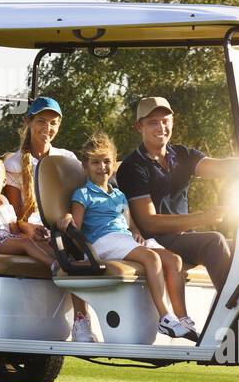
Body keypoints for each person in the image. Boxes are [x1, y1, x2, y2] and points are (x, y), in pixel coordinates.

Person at [60, 132, 198, 340]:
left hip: (123, 238)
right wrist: (68, 218)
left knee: (173, 260)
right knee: (151, 258)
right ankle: (165, 317)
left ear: (114, 164)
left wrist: (135, 232)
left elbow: (131, 225)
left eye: (107, 162)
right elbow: (76, 228)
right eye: (95, 162)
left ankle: (183, 319)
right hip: (102, 241)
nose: (102, 167)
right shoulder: (83, 194)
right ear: (86, 167)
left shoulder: (119, 195)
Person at [115, 96, 239, 296]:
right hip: (156, 241)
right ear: (139, 127)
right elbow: (150, 223)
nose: (161, 127)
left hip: (184, 237)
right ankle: (235, 311)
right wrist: (203, 218)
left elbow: (217, 167)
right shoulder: (133, 167)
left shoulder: (181, 154)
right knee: (214, 241)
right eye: (153, 122)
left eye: (165, 121)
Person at [3, 96, 94, 342]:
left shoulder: (67, 158)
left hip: (63, 226)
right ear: (28, 122)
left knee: (85, 247)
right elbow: (14, 214)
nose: (47, 128)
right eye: (41, 121)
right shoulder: (13, 162)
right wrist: (28, 228)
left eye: (53, 122)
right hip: (30, 231)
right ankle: (81, 320)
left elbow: (76, 199)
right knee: (70, 253)